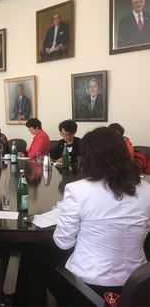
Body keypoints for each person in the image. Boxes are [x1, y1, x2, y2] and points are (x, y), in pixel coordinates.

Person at [53, 127, 150, 297]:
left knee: (43, 262)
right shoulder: (147, 189)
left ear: (89, 157)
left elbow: (63, 242)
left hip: (88, 283)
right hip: (138, 283)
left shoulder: (78, 190)